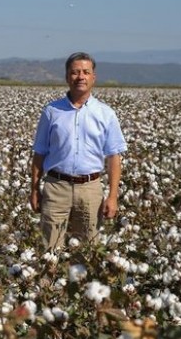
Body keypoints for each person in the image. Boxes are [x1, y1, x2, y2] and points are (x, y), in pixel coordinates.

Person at [30, 52, 127, 250]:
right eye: (75, 72)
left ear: (93, 77)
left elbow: (114, 157)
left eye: (85, 72)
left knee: (88, 250)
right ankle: (49, 281)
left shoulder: (106, 113)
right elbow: (39, 153)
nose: (80, 77)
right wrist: (34, 190)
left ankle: (82, 281)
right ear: (67, 77)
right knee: (50, 250)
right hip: (56, 187)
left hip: (90, 189)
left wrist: (113, 196)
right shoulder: (51, 112)